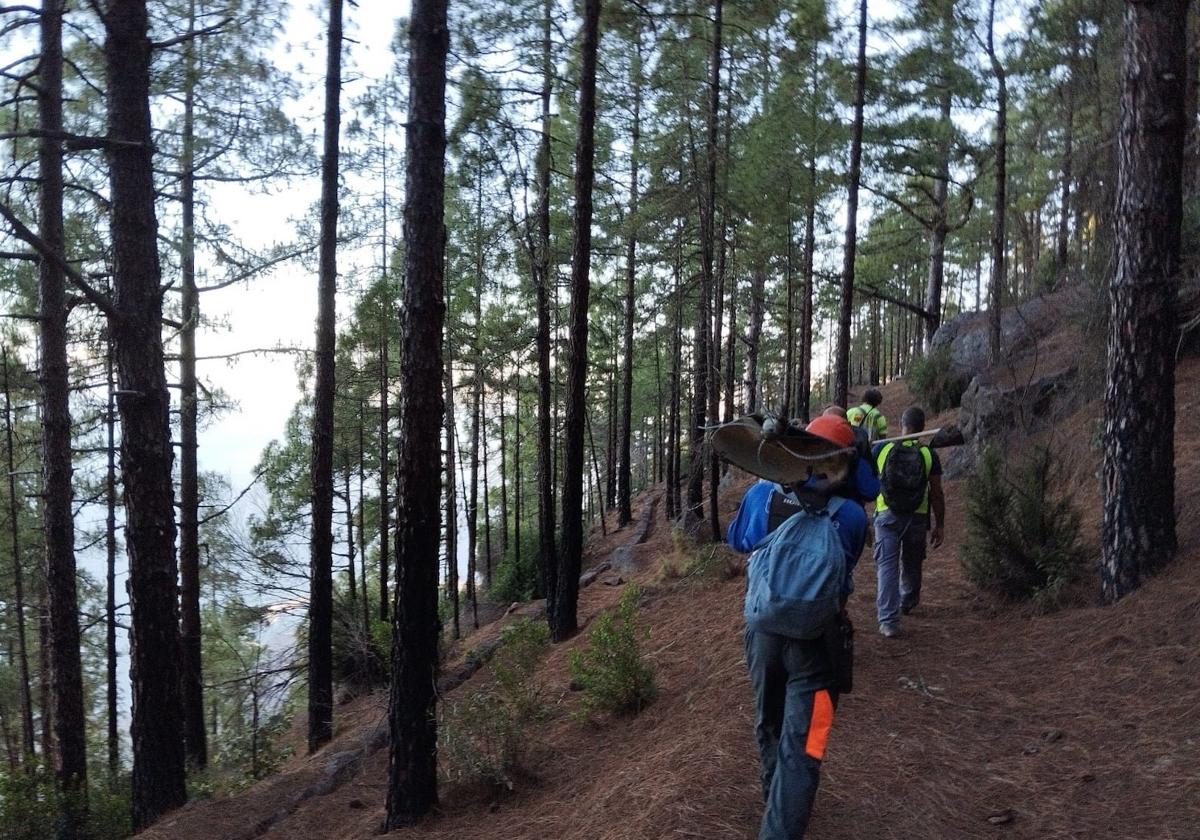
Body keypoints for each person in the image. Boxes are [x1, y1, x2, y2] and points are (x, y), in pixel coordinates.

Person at [728, 415, 867, 840]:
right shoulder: (852, 516)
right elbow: (846, 570)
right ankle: (785, 819)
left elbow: (738, 542)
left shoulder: (760, 497)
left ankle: (776, 796)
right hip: (822, 644)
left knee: (768, 719)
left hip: (763, 632)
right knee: (809, 743)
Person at [872, 406, 945, 638]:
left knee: (887, 567)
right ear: (923, 426)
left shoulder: (883, 450)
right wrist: (939, 524)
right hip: (917, 516)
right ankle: (908, 600)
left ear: (902, 424)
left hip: (886, 516)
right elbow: (936, 493)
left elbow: (868, 482)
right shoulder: (927, 454)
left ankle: (888, 622)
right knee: (913, 563)